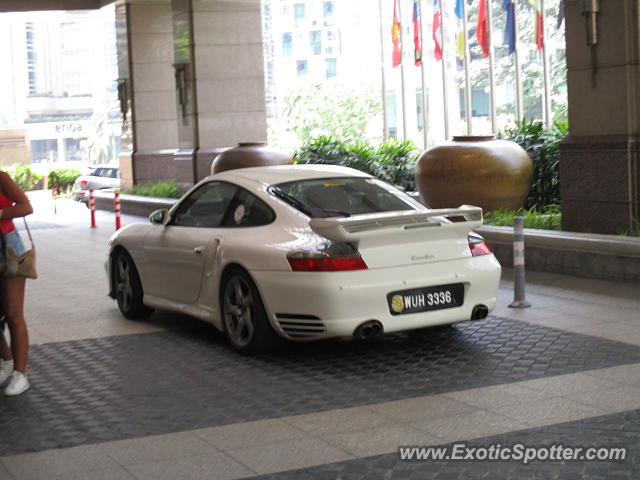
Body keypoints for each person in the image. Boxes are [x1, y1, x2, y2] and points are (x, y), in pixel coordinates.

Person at [0, 169, 34, 396]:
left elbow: (26, 206)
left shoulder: (1, 178)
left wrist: (1, 212)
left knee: (13, 314)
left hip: (7, 248)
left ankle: (20, 375)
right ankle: (6, 361)